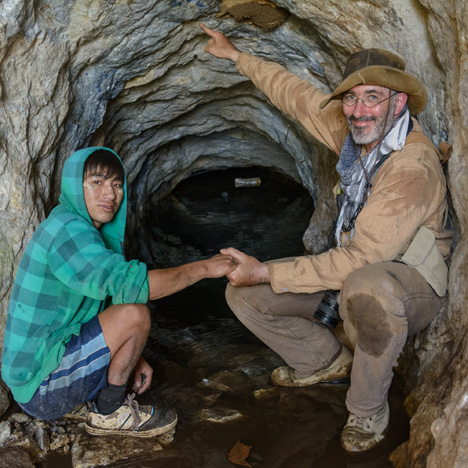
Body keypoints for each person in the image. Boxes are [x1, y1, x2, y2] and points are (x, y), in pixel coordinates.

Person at [200, 24, 452, 452]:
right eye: (351, 98)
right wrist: (236, 56)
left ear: (399, 102)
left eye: (372, 97)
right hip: (356, 272)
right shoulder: (356, 138)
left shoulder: (412, 165)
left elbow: (362, 259)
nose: (357, 110)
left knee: (365, 286)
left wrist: (267, 269)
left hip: (410, 286)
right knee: (245, 296)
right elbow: (295, 95)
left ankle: (367, 407)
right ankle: (327, 362)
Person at [1, 146, 237, 438]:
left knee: (127, 314)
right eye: (97, 183)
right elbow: (132, 287)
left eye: (116, 184)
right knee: (136, 314)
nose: (110, 194)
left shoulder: (70, 224)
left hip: (36, 373)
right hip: (41, 388)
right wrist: (204, 269)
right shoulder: (69, 231)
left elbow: (100, 305)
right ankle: (108, 413)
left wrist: (134, 356)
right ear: (76, 186)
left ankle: (90, 399)